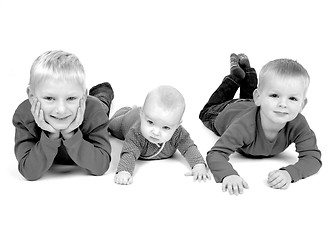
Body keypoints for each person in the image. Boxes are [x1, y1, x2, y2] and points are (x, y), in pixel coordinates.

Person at [199, 53, 322, 195]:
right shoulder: (243, 126)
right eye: (275, 95)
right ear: (258, 97)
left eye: (292, 98)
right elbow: (216, 153)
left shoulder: (299, 124)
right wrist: (228, 174)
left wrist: (290, 173)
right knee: (205, 112)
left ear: (302, 104)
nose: (283, 104)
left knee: (252, 98)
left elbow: (313, 158)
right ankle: (235, 78)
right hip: (223, 111)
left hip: (254, 105)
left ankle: (247, 70)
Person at [12, 50, 114, 181]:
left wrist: (70, 134)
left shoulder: (94, 112)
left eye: (71, 98)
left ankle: (103, 92)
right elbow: (29, 171)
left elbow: (101, 166)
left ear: (83, 96)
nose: (61, 110)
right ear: (32, 97)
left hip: (93, 107)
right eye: (49, 98)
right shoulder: (25, 116)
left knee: (101, 104)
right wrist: (51, 136)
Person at [110, 85, 210, 185]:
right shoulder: (136, 133)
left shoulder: (178, 134)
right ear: (142, 114)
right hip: (128, 119)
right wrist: (124, 171)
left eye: (166, 127)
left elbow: (189, 147)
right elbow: (129, 153)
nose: (156, 132)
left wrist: (198, 165)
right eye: (150, 122)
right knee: (111, 126)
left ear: (177, 126)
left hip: (142, 113)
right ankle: (125, 110)